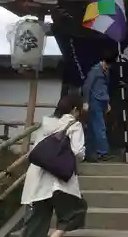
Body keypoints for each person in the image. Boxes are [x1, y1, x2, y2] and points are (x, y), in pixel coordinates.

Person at [20, 94, 87, 237]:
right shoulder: (74, 124)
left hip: (36, 181)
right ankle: (56, 235)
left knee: (35, 226)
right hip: (59, 180)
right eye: (80, 110)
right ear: (75, 110)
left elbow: (36, 150)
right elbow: (78, 152)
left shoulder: (46, 124)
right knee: (76, 211)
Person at [82, 50, 117, 162]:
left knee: (93, 129)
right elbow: (87, 86)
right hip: (94, 101)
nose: (108, 67)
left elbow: (105, 87)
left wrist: (108, 103)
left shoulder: (107, 72)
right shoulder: (95, 70)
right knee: (100, 127)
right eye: (107, 65)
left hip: (103, 101)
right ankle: (103, 152)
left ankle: (89, 153)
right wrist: (86, 101)